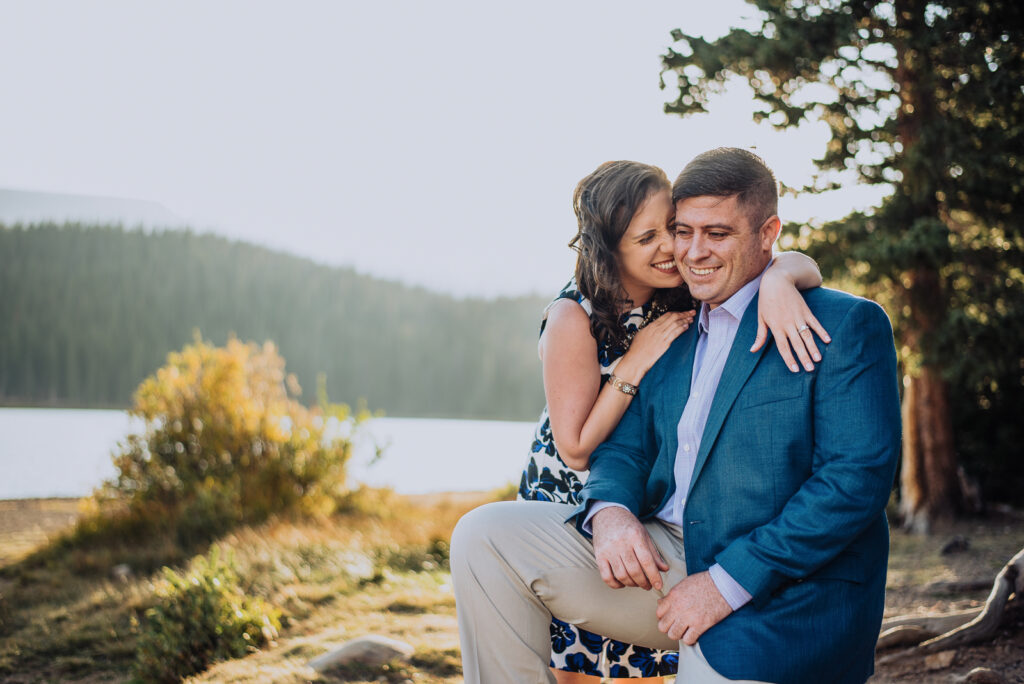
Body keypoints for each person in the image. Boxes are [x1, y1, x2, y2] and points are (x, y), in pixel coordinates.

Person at [452, 148, 901, 684]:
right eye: (680, 231)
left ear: (768, 232)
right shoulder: (673, 324)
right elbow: (623, 448)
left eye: (716, 233)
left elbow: (854, 481)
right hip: (663, 553)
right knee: (484, 536)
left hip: (779, 586)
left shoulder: (842, 324)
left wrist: (724, 583)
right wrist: (612, 512)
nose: (689, 251)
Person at [516, 160, 832, 683]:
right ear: (611, 249)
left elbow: (796, 261)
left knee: (647, 658)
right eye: (648, 238)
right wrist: (635, 361)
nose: (673, 247)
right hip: (571, 495)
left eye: (674, 227)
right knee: (580, 663)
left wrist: (780, 277)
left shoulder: (683, 293)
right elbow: (574, 448)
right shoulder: (574, 315)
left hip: (645, 495)